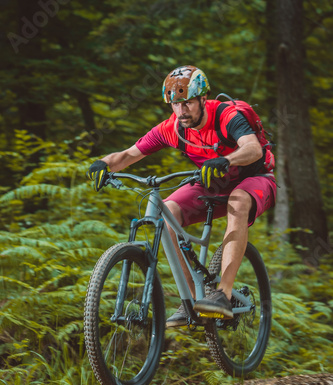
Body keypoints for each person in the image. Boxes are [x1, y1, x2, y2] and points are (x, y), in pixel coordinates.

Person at [87, 65, 276, 328]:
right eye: (174, 103)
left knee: (239, 200)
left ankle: (223, 293)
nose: (181, 110)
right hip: (213, 181)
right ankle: (189, 302)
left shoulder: (226, 116)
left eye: (187, 102)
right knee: (168, 211)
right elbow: (130, 154)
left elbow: (253, 148)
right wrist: (103, 164)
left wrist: (226, 160)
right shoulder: (173, 128)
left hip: (254, 179)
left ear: (202, 99)